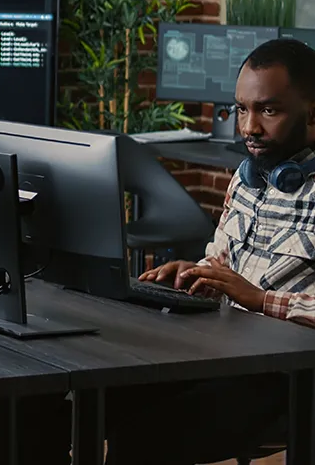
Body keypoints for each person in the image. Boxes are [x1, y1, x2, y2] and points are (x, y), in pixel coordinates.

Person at [104, 37, 315, 464]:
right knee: (67, 397)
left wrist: (258, 299)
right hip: (218, 353)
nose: (248, 127)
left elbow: (252, 293)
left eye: (268, 110)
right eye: (242, 109)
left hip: (285, 378)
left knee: (143, 435)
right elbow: (222, 263)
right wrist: (197, 274)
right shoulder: (248, 178)